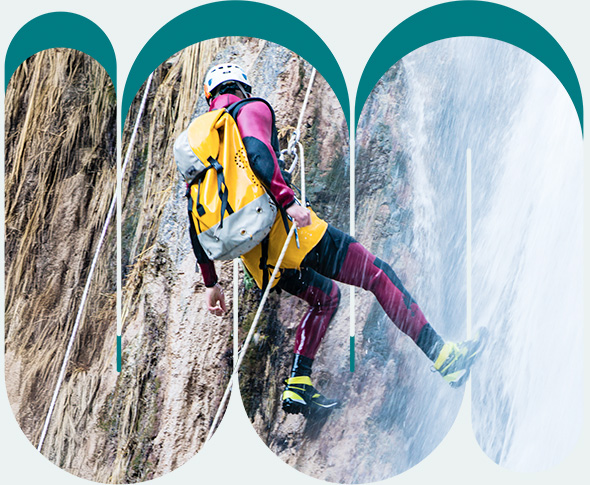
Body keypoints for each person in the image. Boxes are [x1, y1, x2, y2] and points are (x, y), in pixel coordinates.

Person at [182, 63, 484, 416]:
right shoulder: (251, 108)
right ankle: (445, 357)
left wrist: (210, 282)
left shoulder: (201, 143)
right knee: (377, 275)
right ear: (243, 88)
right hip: (290, 233)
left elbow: (193, 215)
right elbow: (259, 155)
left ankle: (298, 385)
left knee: (325, 297)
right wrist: (289, 202)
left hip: (256, 257)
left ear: (210, 99)